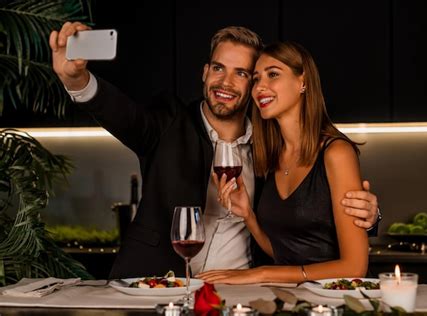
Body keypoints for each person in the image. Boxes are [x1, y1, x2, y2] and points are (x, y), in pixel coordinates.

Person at [49, 23, 380, 279]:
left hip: (240, 295)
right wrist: (76, 79)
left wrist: (368, 216)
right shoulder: (167, 123)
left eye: (242, 74)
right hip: (158, 289)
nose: (226, 83)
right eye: (219, 68)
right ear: (205, 72)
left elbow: (305, 218)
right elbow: (121, 113)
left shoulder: (273, 147)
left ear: (253, 85)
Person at [198, 41, 369, 284]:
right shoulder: (271, 157)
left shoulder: (336, 153)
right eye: (256, 79)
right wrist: (248, 216)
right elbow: (286, 252)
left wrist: (262, 273)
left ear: (303, 81)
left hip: (335, 301)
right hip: (293, 298)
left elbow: (354, 267)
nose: (260, 88)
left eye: (273, 75)